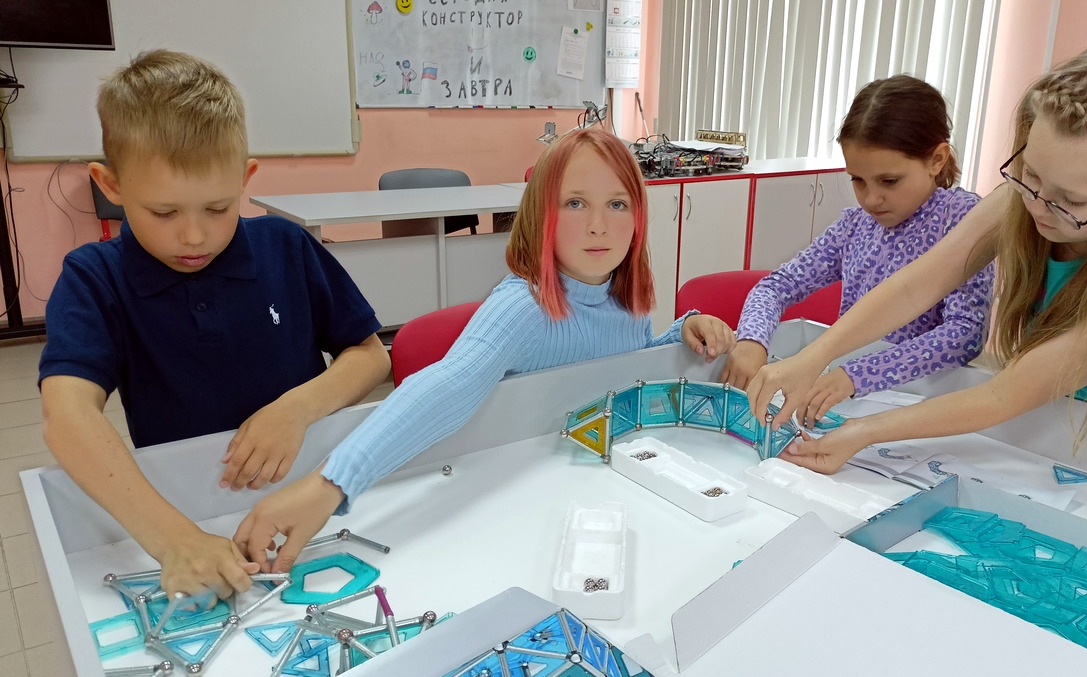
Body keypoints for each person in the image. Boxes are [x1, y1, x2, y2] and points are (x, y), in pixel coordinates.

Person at [234, 127, 737, 572]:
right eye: (575, 203)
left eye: (618, 204)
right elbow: (446, 387)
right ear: (541, 215)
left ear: (639, 218)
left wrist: (682, 333)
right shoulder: (523, 307)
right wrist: (331, 484)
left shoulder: (628, 303)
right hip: (517, 498)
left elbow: (628, 366)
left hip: (593, 489)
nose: (598, 225)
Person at [747, 35, 1087, 479]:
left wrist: (865, 431)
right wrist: (814, 356)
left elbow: (1005, 394)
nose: (1037, 206)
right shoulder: (1021, 201)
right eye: (1029, 175)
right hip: (1033, 431)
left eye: (1071, 202)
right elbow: (917, 285)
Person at [38, 50, 392, 598]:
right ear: (111, 185)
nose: (194, 236)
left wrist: (296, 408)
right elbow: (66, 416)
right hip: (187, 508)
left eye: (218, 208)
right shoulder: (94, 277)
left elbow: (370, 356)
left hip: (309, 488)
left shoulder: (285, 246)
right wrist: (174, 540)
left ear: (245, 177)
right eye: (164, 212)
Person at [722, 75, 994, 419]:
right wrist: (752, 340)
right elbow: (776, 286)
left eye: (889, 181)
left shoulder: (963, 219)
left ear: (937, 159)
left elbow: (963, 334)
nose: (871, 198)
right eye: (858, 180)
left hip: (919, 404)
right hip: (845, 398)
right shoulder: (855, 226)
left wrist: (857, 375)